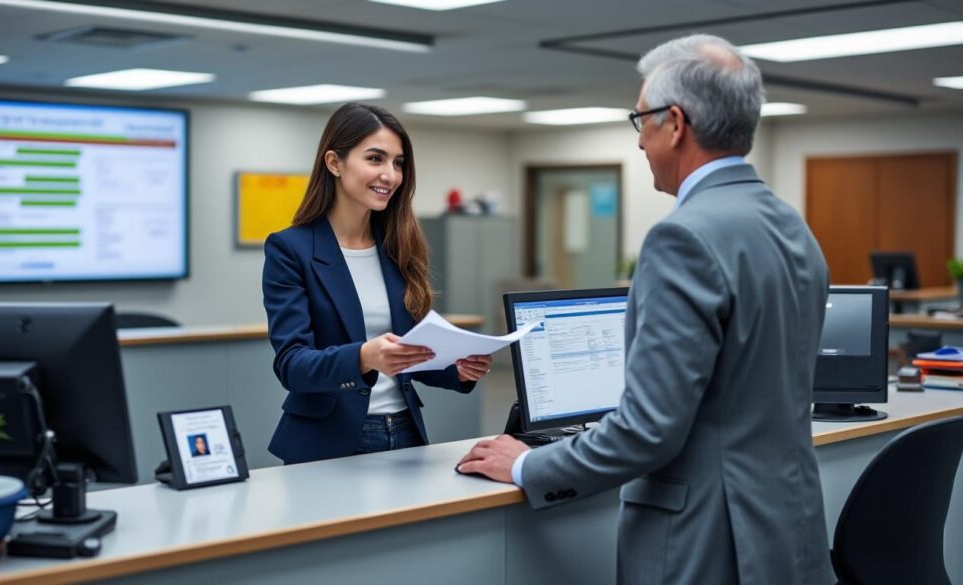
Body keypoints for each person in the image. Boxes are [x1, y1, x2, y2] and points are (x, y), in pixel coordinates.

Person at [458, 34, 834, 585]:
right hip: (789, 527)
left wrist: (523, 464)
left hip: (709, 539)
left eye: (642, 121)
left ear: (675, 123)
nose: (639, 143)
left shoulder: (682, 238)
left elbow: (647, 432)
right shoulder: (791, 227)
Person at [263, 102, 492, 465]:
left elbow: (413, 352)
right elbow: (292, 365)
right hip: (329, 442)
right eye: (375, 159)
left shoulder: (397, 245)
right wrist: (363, 357)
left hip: (404, 432)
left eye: (398, 163)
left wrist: (456, 369)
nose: (390, 175)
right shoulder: (291, 249)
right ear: (334, 163)